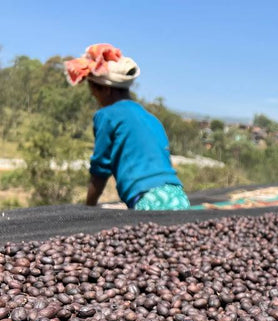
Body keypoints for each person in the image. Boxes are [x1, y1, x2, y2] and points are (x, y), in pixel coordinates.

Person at [64, 44, 189, 210]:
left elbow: (100, 169)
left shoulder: (106, 115)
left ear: (106, 90)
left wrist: (89, 208)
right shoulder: (151, 118)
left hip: (148, 199)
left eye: (93, 89)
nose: (93, 95)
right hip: (178, 196)